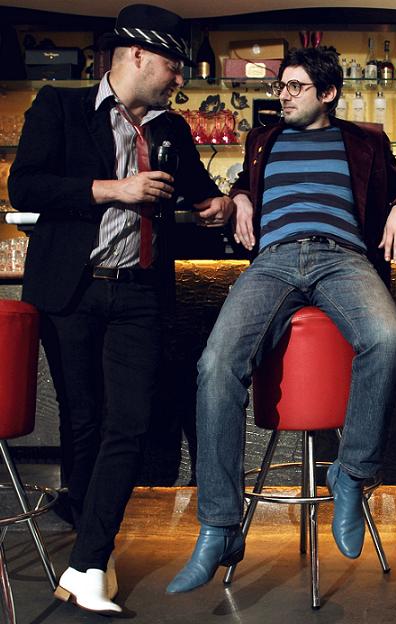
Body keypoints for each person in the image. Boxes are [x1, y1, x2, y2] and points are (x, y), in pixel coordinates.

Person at [167, 45, 396, 594]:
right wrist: (239, 196)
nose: (281, 96)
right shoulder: (263, 139)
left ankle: (351, 474)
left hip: (343, 258)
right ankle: (219, 525)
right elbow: (245, 183)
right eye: (280, 86)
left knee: (387, 338)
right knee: (215, 365)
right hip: (274, 260)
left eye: (294, 87)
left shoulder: (364, 140)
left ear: (327, 93)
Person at [8, 3, 233, 615]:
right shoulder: (60, 107)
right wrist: (115, 189)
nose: (180, 78)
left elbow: (200, 193)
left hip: (139, 292)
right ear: (136, 55)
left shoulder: (171, 128)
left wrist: (224, 204)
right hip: (72, 288)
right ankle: (94, 548)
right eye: (172, 65)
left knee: (128, 424)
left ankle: (86, 561)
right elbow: (25, 186)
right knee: (82, 420)